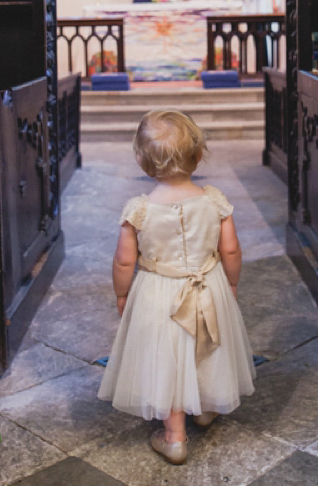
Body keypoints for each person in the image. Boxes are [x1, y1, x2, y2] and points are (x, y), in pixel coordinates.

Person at [98, 109, 255, 465]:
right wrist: (230, 283)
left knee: (167, 360)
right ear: (199, 156)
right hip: (208, 284)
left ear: (141, 161)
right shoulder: (214, 200)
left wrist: (122, 294)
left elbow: (124, 261)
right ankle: (204, 408)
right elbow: (230, 248)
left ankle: (174, 437)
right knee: (206, 348)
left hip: (158, 294)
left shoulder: (138, 210)